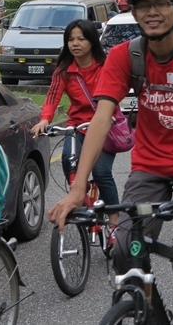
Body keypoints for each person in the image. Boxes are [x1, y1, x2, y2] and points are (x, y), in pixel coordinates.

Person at [48, 0, 173, 325]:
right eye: (143, 5)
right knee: (124, 249)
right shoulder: (123, 56)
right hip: (151, 165)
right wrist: (76, 190)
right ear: (133, 12)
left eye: (161, 3)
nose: (152, 12)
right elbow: (101, 119)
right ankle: (152, 313)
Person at [32, 19, 121, 224]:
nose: (75, 43)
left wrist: (112, 115)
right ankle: (80, 195)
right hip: (78, 128)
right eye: (71, 39)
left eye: (81, 38)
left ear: (91, 41)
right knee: (67, 161)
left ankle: (115, 222)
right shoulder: (64, 70)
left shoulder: (105, 66)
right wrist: (45, 119)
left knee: (101, 172)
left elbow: (115, 94)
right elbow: (52, 97)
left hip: (106, 127)